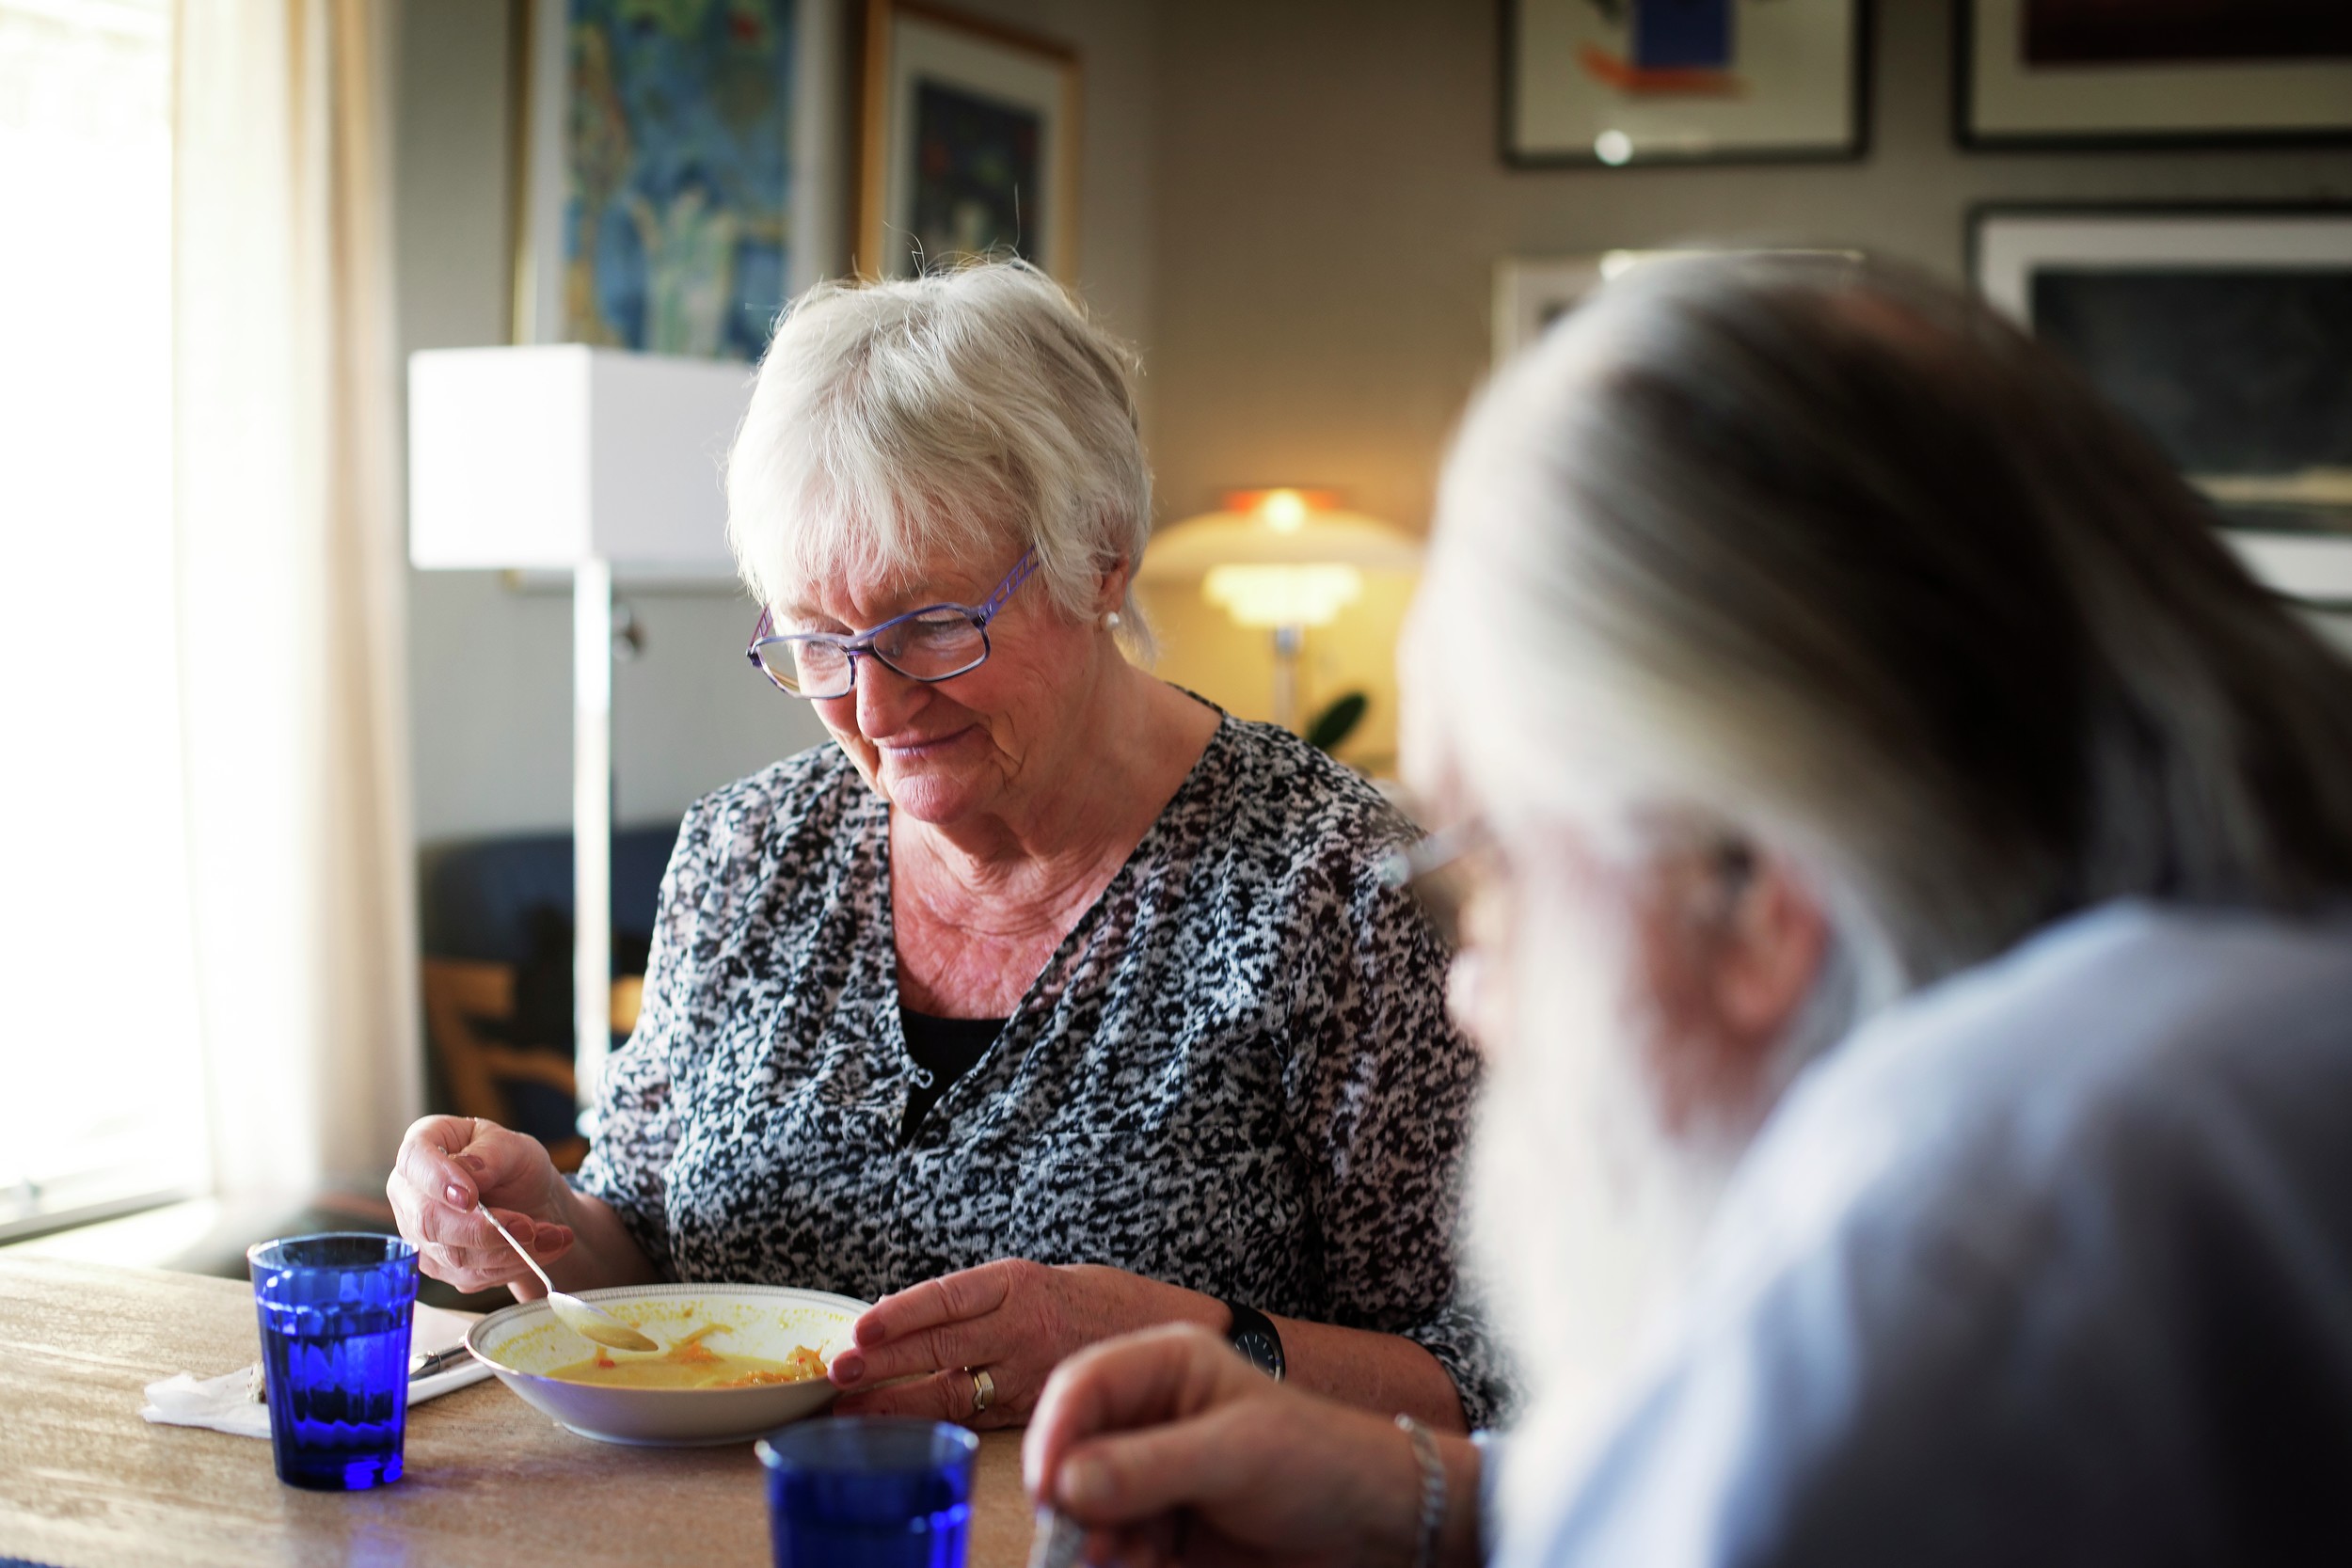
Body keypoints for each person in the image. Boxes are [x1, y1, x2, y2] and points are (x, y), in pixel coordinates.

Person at [1021, 254, 2352, 1564]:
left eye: (1492, 872)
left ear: (1755, 893)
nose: (1468, 990)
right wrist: (1437, 1498)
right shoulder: (2242, 1029)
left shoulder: (1950, 1221)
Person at [386, 261, 1506, 1433]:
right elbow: (661, 1267)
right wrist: (544, 1213)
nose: (871, 708)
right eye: (818, 640)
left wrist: (1195, 1344)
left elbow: (1497, 1378)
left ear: (1101, 558)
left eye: (930, 625)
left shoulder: (1341, 887)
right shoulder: (744, 854)